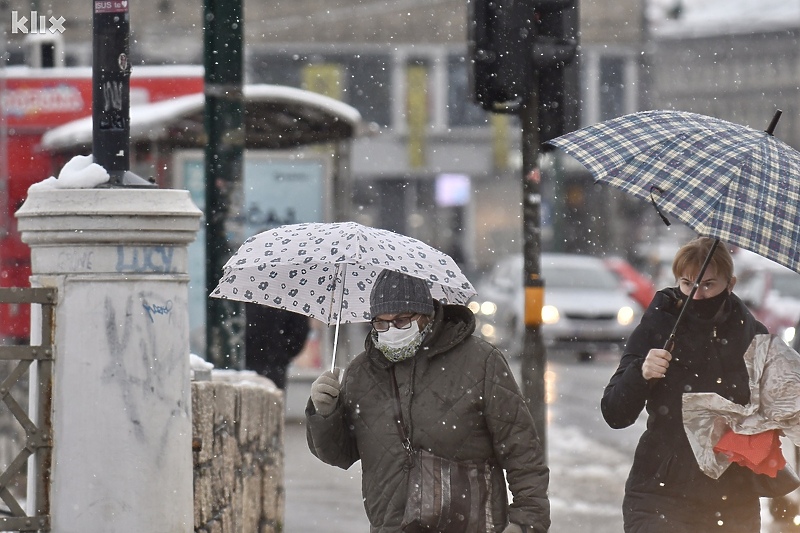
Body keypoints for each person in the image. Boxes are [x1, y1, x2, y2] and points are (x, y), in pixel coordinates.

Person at [305, 269, 550, 532]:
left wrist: (526, 523)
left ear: (426, 317)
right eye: (381, 323)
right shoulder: (361, 372)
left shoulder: (481, 362)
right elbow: (339, 454)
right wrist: (324, 413)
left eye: (402, 321)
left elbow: (522, 451)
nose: (391, 331)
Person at [601, 237, 769, 532]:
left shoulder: (754, 337)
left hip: (733, 499)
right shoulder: (659, 327)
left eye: (708, 285)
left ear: (730, 285)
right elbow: (615, 412)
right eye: (688, 284)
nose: (697, 295)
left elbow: (777, 410)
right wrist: (641, 373)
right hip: (660, 492)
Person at [244, 303, 310, 390]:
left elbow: (299, 332)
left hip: (274, 365)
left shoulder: (290, 301)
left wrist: (283, 353)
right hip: (248, 364)